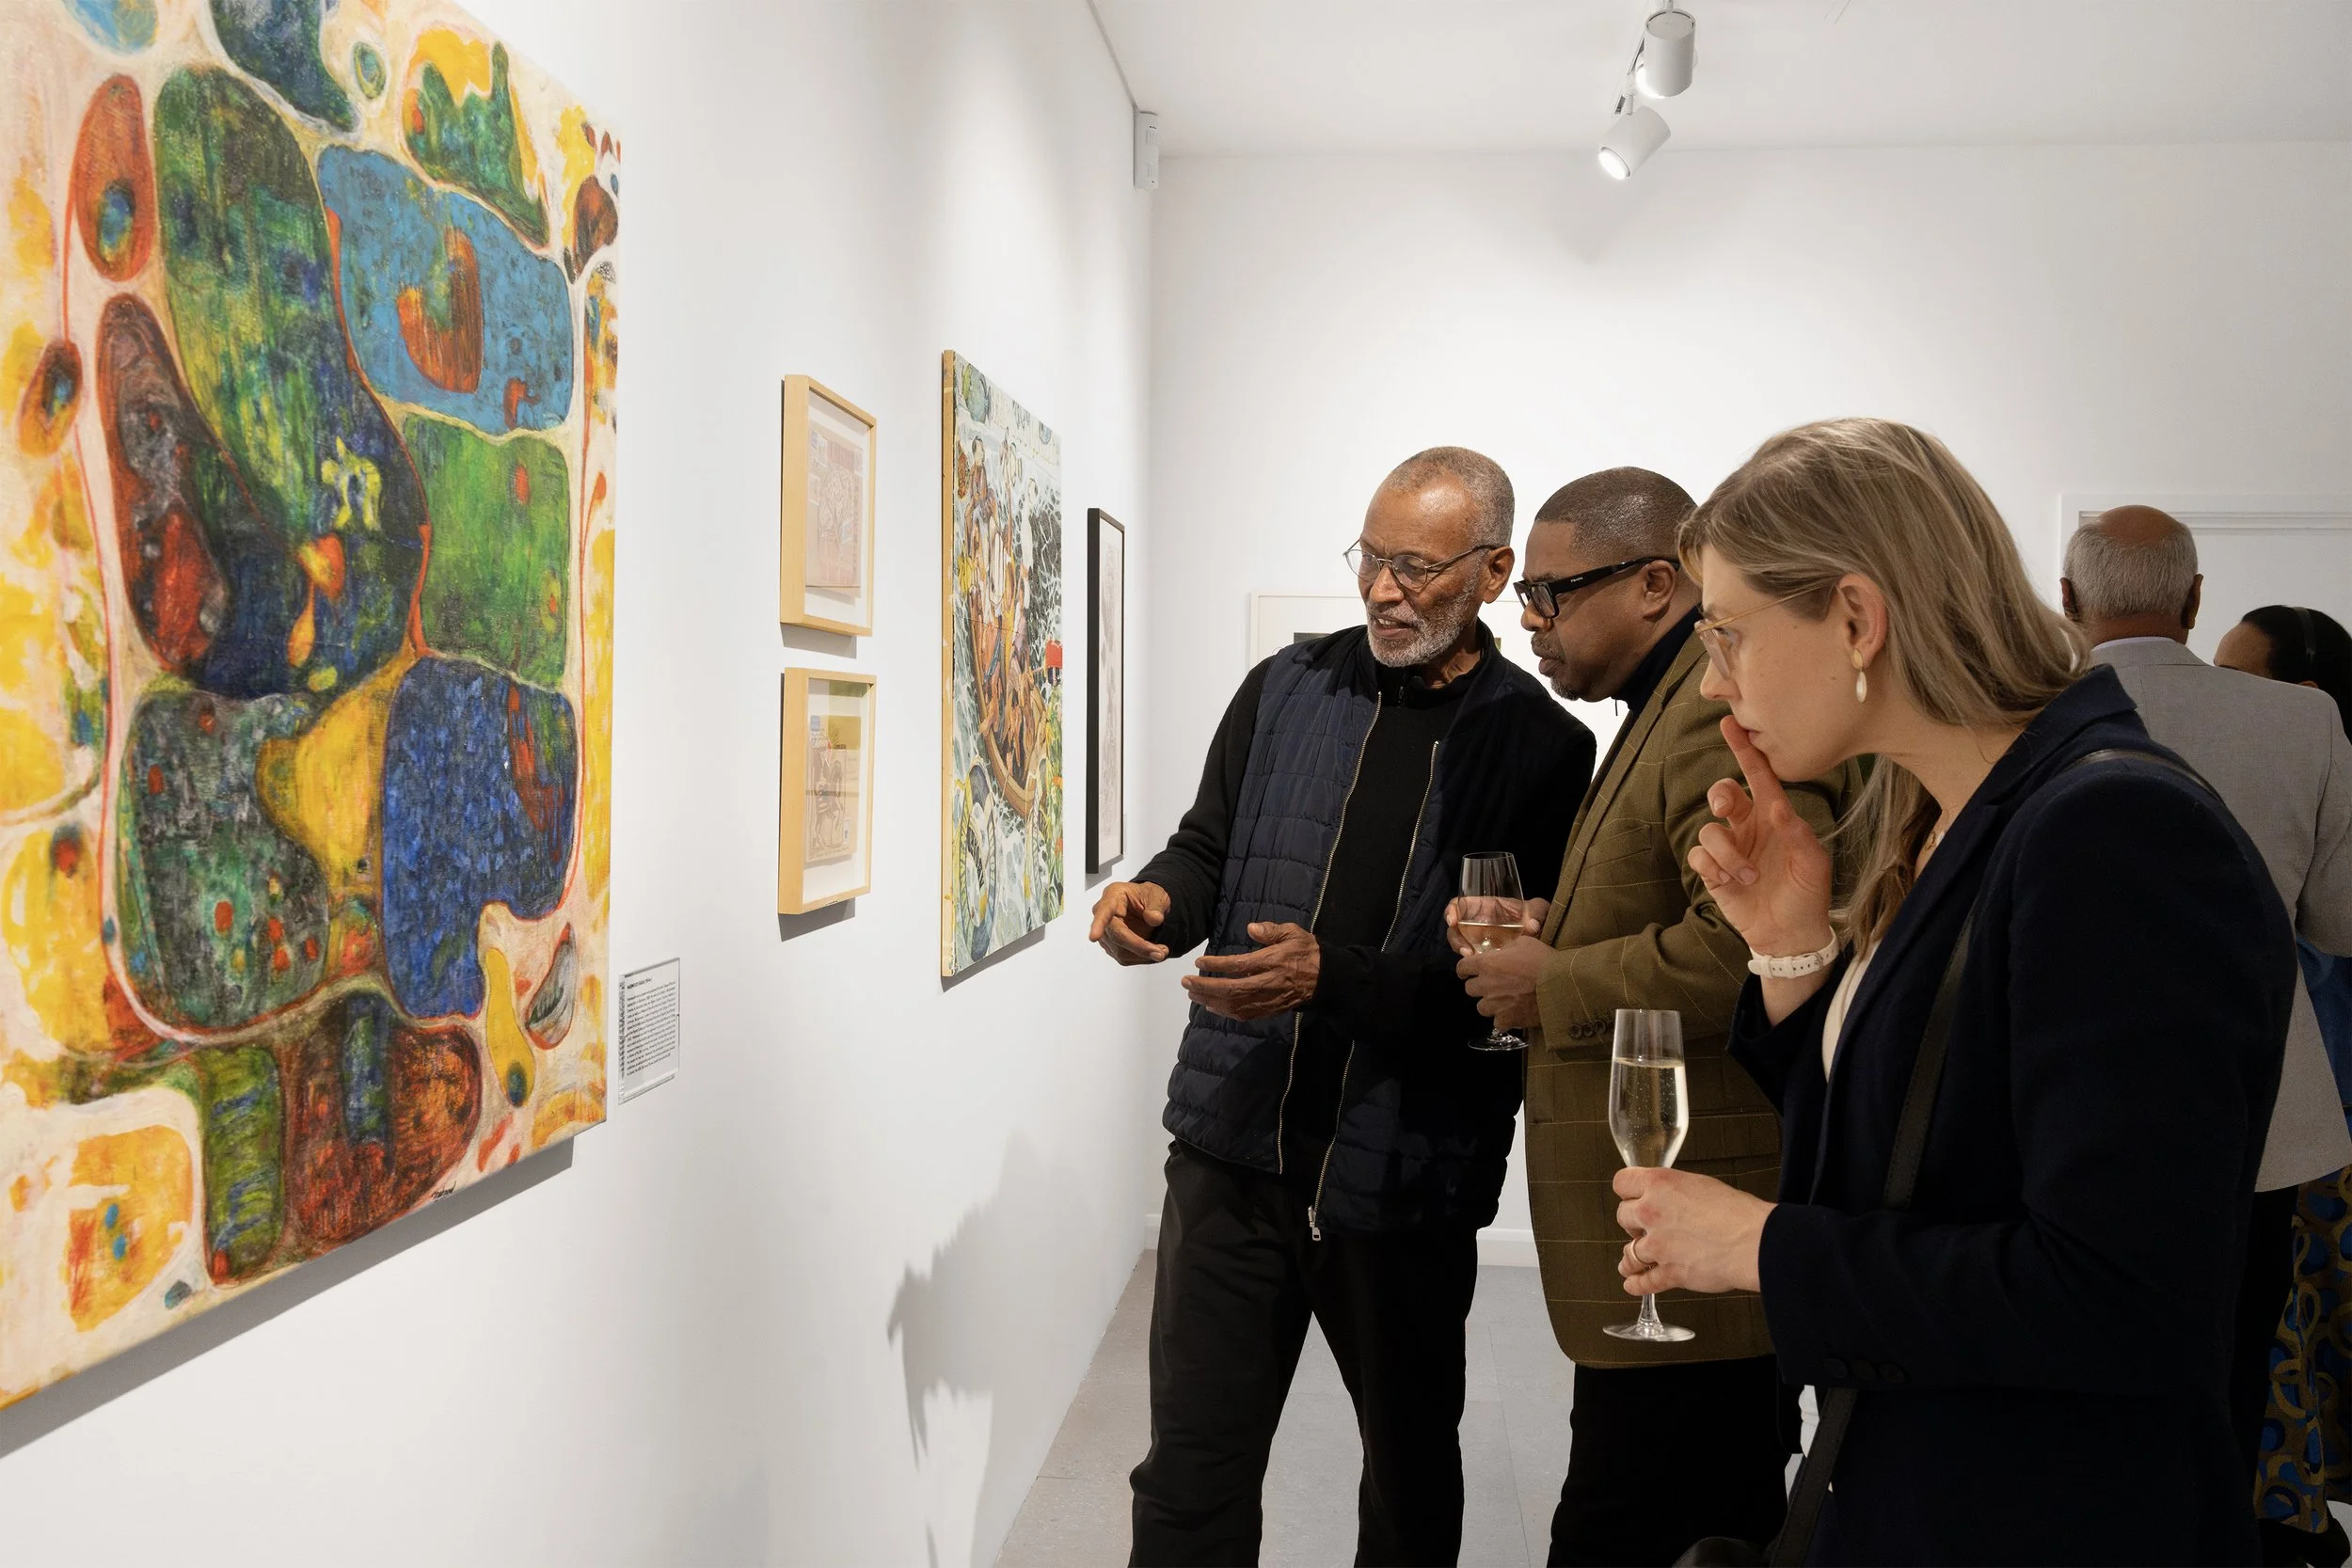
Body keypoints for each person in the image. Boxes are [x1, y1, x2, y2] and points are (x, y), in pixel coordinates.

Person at [1608, 418, 2295, 1564]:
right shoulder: (1946, 814)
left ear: (1857, 616)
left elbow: (2122, 1297)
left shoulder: (2111, 832)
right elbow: (1908, 1166)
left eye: (1726, 634)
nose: (1711, 684)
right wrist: (1791, 957)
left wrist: (1765, 1249)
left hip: (2051, 1515)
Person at [1092, 447, 1596, 1567]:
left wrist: (1337, 978)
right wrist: (1155, 904)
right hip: (1232, 1145)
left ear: (1492, 568)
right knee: (1188, 1473)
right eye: (1370, 558)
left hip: (1402, 1173)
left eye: (1415, 567)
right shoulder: (1286, 686)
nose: (1381, 589)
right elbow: (1208, 845)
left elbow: (1506, 996)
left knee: (1409, 1481)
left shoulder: (1542, 747)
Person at [1449, 468, 1861, 1565]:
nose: (1528, 620)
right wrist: (1554, 924)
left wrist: (1554, 980)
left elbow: (1754, 942)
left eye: (1548, 592)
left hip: (1700, 1233)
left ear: (1653, 582)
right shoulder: (1664, 703)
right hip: (1671, 1237)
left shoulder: (1708, 711)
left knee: (1644, 1525)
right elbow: (1674, 900)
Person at [2060, 513, 2352, 1516]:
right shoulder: (2303, 721)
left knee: (2074, 1378)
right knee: (2228, 1378)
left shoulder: (2017, 708)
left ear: (2065, 600)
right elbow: (2341, 919)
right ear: (2192, 602)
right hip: (2259, 1108)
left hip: (2062, 1105)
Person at [2217, 605, 2352, 1566]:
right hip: (2303, 1136)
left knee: (2284, 1351)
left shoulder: (2310, 810)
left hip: (2319, 1144)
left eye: (2237, 673)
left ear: (2305, 697)